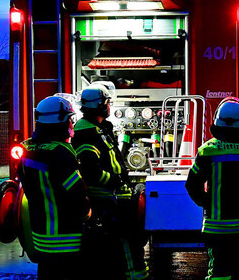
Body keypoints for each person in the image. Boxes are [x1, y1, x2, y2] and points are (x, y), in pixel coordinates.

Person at [186, 97, 239, 280]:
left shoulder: (207, 151)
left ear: (217, 120)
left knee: (219, 273)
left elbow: (191, 185)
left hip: (217, 229)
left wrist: (207, 202)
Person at [72, 86, 148, 280]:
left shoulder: (99, 127)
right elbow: (90, 171)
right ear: (100, 105)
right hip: (107, 201)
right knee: (127, 243)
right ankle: (135, 277)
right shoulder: (86, 133)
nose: (109, 106)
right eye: (107, 103)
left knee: (130, 241)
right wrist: (115, 181)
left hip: (116, 198)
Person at [19, 95, 90, 280]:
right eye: (69, 119)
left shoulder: (28, 151)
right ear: (59, 121)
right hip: (66, 239)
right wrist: (88, 211)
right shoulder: (61, 153)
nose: (71, 125)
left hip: (41, 238)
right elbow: (76, 195)